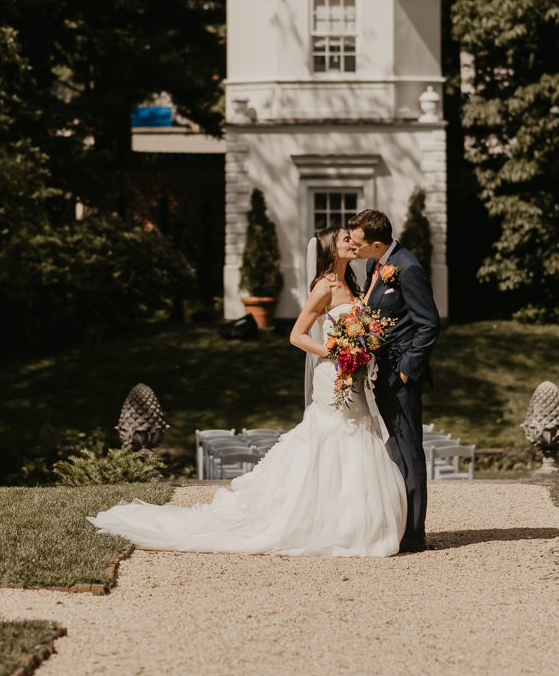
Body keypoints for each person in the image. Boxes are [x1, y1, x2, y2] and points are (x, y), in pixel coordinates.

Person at [88, 227, 406, 557]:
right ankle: (325, 522)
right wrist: (333, 351)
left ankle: (351, 520)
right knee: (333, 436)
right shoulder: (324, 286)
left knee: (356, 434)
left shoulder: (354, 283)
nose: (352, 243)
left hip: (351, 374)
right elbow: (297, 335)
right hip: (332, 374)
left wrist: (362, 345)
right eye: (345, 239)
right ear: (331, 249)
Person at [348, 208, 440, 553]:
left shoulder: (408, 267)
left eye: (357, 243)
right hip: (379, 371)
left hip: (401, 375)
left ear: (375, 244)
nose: (352, 248)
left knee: (408, 451)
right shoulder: (375, 264)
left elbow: (428, 324)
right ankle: (397, 523)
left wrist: (406, 370)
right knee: (392, 453)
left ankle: (414, 533)